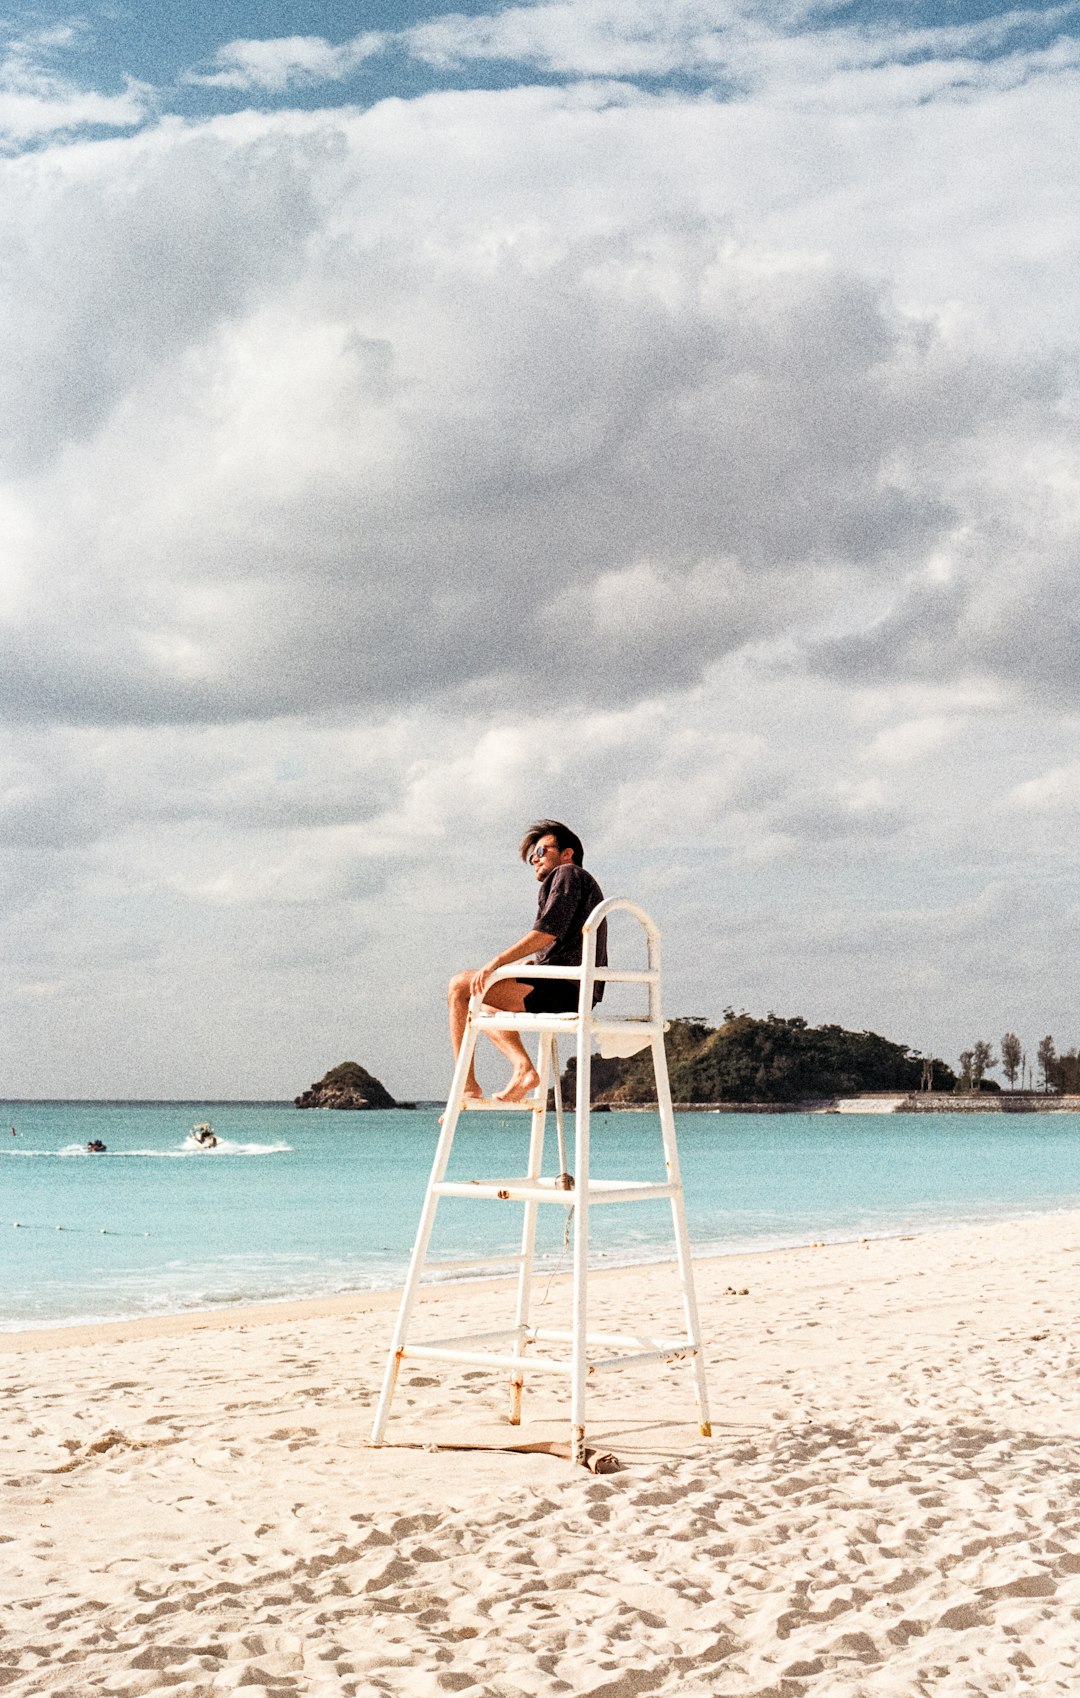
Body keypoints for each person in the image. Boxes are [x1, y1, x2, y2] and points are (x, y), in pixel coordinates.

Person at [447, 820, 607, 1103]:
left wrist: (496, 963)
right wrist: (521, 967)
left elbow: (546, 932)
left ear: (567, 853)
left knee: (460, 986)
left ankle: (467, 1085)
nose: (534, 859)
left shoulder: (568, 874)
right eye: (532, 855)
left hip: (566, 989)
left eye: (541, 851)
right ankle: (523, 1070)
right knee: (481, 1000)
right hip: (567, 986)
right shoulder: (569, 883)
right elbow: (559, 946)